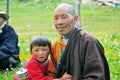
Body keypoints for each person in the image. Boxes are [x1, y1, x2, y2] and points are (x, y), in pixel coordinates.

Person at [48, 3, 110, 80]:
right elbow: (52, 74)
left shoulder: (88, 42)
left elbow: (97, 76)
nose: (59, 22)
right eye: (56, 18)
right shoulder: (55, 45)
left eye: (64, 17)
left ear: (75, 19)